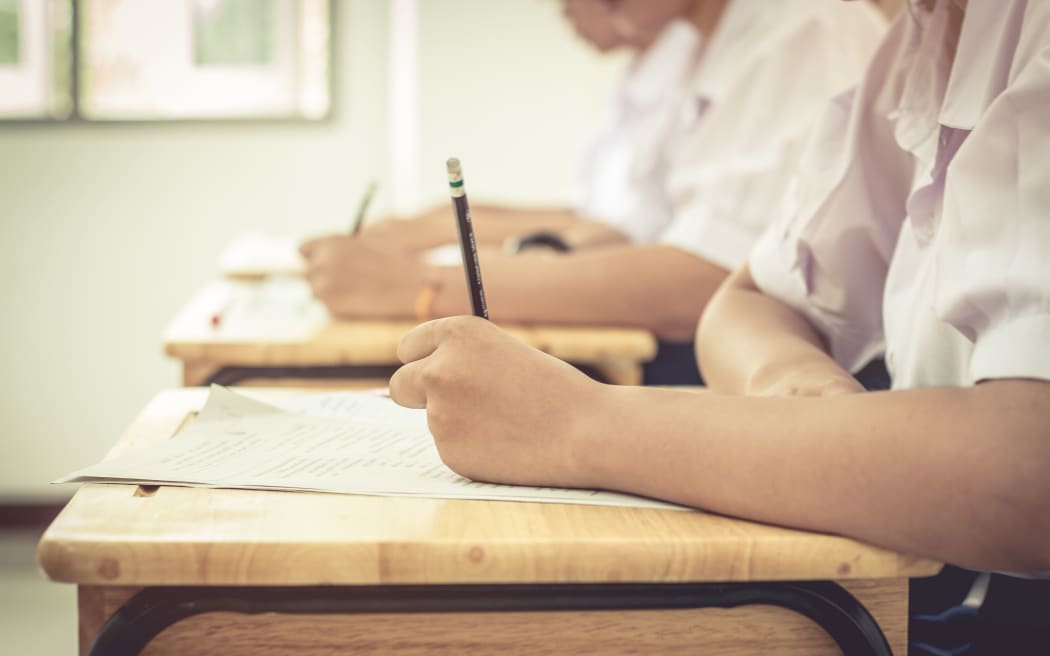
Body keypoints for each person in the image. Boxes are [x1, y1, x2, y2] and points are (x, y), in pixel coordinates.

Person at [387, 0, 1050, 581]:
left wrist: (575, 425)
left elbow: (1026, 471)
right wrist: (802, 403)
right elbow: (745, 300)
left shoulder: (813, 26)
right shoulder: (919, 44)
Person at [300, 0, 886, 384]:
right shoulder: (706, 45)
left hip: (782, 386)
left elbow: (702, 281)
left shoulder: (804, 27)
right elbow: (627, 229)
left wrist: (415, 287)